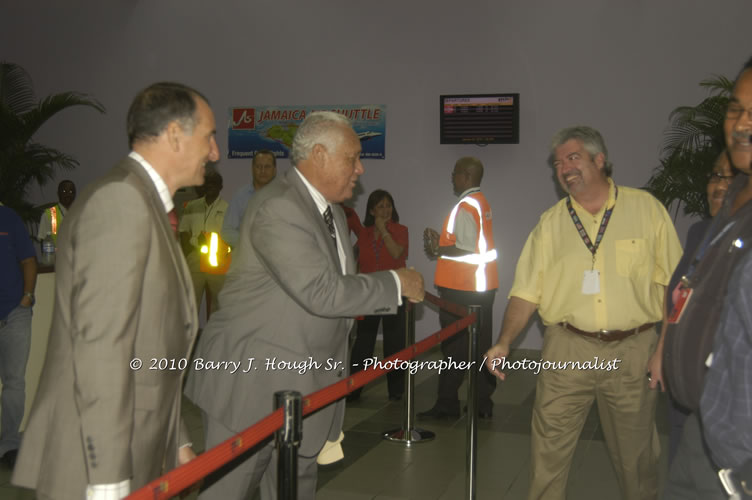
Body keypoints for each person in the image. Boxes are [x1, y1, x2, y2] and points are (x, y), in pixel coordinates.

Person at [184, 111, 424, 500]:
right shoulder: (279, 207)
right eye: (353, 158)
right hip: (253, 385)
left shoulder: (327, 211)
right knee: (229, 491)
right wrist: (397, 283)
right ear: (319, 155)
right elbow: (322, 292)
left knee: (294, 489)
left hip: (303, 385)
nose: (360, 169)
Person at [12, 81, 219, 500]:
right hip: (99, 463)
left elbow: (149, 348)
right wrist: (106, 482)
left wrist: (176, 441)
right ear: (175, 135)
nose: (214, 152)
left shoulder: (145, 204)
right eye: (209, 136)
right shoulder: (122, 202)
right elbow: (101, 349)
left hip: (139, 446)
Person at [485, 125, 682, 500]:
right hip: (567, 349)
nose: (564, 167)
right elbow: (526, 293)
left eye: (573, 157)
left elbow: (674, 288)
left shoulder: (646, 210)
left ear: (600, 160)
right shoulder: (550, 224)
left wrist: (663, 351)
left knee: (637, 458)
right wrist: (504, 343)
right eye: (558, 162)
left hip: (633, 350)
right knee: (548, 454)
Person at [663, 56, 752, 499]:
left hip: (739, 454)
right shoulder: (730, 203)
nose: (742, 123)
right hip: (701, 430)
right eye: (736, 108)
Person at [648, 151, 734, 468]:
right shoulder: (700, 233)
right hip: (684, 377)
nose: (718, 185)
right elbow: (678, 297)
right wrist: (661, 350)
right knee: (681, 467)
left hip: (726, 388)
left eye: (730, 177)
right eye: (715, 175)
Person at [420, 157, 499, 419]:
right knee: (480, 346)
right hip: (481, 288)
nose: (452, 178)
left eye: (455, 174)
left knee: (455, 348)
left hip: (461, 291)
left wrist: (437, 248)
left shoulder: (466, 206)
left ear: (465, 176)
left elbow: (464, 246)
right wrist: (443, 242)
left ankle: (447, 404)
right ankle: (482, 403)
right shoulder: (481, 203)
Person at [348, 189, 409, 402]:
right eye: (381, 206)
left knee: (394, 344)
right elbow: (355, 261)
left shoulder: (400, 230)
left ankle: (396, 391)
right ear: (372, 210)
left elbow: (395, 253)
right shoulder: (363, 234)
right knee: (363, 344)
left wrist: (384, 231)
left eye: (389, 205)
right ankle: (353, 390)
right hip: (369, 294)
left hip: (395, 292)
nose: (386, 210)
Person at [0, 205, 37, 469]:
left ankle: (10, 444)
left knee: (14, 384)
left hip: (15, 313)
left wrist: (27, 297)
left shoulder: (9, 218)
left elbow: (28, 260)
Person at [179, 167, 229, 317]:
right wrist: (189, 253)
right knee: (191, 304)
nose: (210, 187)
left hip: (217, 263)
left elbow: (231, 237)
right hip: (195, 259)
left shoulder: (227, 208)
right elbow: (183, 231)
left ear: (220, 187)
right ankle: (191, 339)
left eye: (214, 184)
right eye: (207, 184)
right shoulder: (192, 206)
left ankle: (214, 339)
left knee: (218, 307)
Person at [221, 149, 277, 248]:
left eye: (267, 167)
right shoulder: (240, 197)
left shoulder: (283, 196)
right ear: (252, 168)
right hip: (247, 256)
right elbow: (227, 231)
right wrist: (249, 244)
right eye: (258, 166)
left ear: (274, 170)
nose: (263, 171)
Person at [36, 179, 76, 244]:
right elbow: (42, 240)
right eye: (64, 191)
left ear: (75, 194)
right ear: (58, 193)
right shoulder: (49, 214)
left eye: (71, 192)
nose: (68, 194)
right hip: (55, 254)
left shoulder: (80, 212)